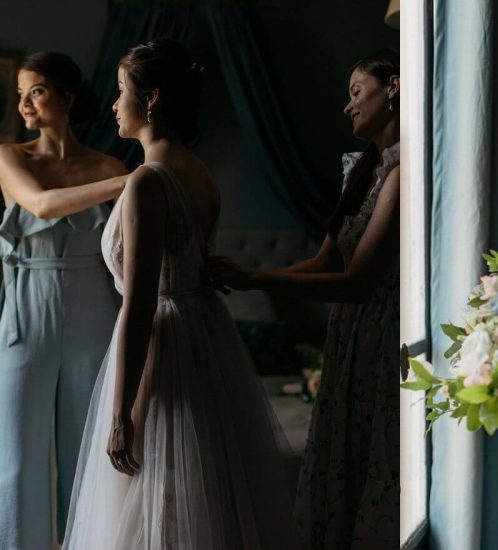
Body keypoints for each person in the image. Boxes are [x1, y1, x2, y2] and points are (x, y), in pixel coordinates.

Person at [62, 39, 298, 549]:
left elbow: (140, 303)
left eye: (120, 90)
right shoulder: (198, 171)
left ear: (150, 99)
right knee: (201, 490)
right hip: (204, 334)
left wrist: (121, 413)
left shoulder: (148, 181)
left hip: (164, 347)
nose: (111, 105)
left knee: (158, 495)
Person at [208, 49, 400, 549]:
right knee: (340, 455)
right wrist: (251, 274)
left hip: (381, 331)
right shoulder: (364, 172)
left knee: (372, 456)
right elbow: (321, 265)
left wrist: (252, 279)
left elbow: (357, 282)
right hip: (348, 333)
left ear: (394, 88)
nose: (348, 106)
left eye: (357, 92)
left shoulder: (404, 174)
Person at [0, 51, 127, 549]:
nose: (26, 104)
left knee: (86, 455)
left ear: (67, 97)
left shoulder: (106, 163)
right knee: (17, 461)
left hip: (93, 309)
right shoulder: (10, 156)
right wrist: (132, 180)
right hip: (27, 311)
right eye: (20, 94)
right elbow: (39, 204)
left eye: (37, 91)